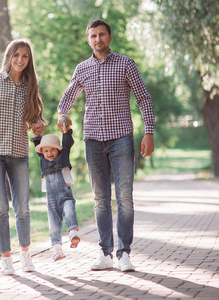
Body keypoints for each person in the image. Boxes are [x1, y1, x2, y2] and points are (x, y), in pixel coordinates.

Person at [57, 19, 155, 272]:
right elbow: (67, 97)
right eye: (93, 36)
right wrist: (61, 115)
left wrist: (149, 132)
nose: (98, 39)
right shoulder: (82, 68)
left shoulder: (125, 64)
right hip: (92, 140)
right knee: (100, 199)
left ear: (110, 37)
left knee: (124, 197)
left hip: (121, 137)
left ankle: (124, 254)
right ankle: (105, 254)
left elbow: (143, 98)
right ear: (88, 40)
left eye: (102, 35)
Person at [0, 39, 46, 275]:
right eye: (17, 55)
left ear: (29, 60)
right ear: (9, 56)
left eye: (25, 56)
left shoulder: (30, 86)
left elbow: (35, 118)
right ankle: (6, 258)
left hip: (18, 152)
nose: (20, 60)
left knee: (22, 207)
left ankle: (25, 254)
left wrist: (38, 126)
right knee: (0, 207)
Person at [31, 128, 80, 262]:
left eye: (52, 149)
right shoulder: (43, 161)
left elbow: (67, 143)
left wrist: (66, 131)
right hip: (51, 198)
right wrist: (37, 135)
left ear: (59, 150)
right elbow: (38, 146)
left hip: (65, 195)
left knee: (70, 211)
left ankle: (73, 233)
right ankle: (57, 249)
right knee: (53, 224)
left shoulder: (63, 157)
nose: (49, 153)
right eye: (46, 151)